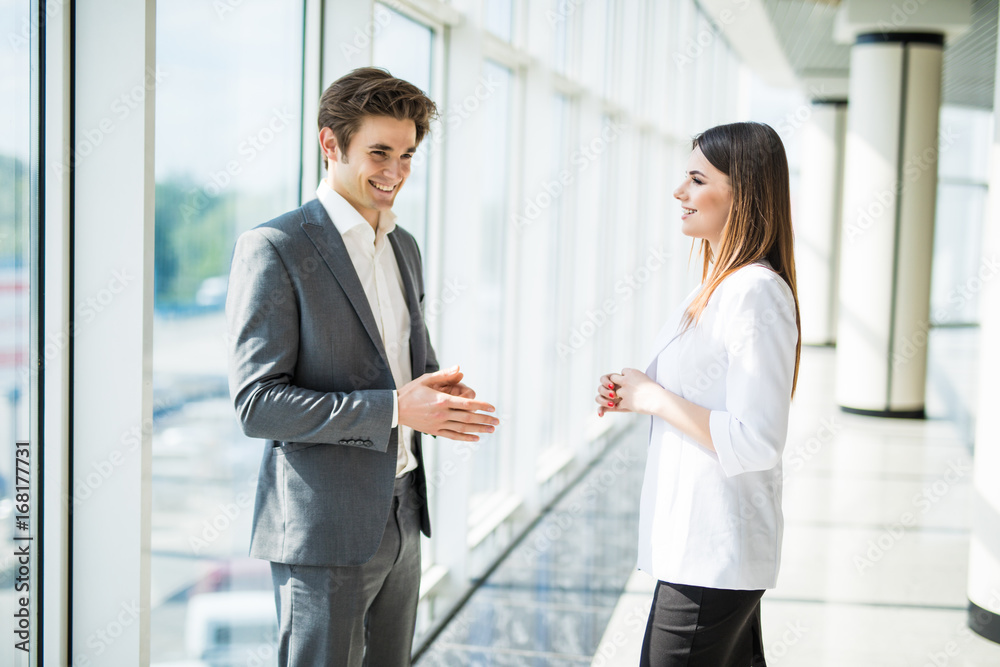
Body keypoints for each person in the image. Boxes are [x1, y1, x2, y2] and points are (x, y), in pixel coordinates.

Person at [226, 67, 499, 667]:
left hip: (403, 514)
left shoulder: (404, 246)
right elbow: (257, 404)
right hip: (324, 532)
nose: (395, 173)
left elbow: (405, 370)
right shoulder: (276, 248)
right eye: (379, 152)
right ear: (331, 144)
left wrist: (438, 397)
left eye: (406, 155)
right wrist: (398, 408)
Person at [595, 121, 801, 666]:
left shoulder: (755, 293)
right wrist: (634, 390)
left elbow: (757, 440)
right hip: (702, 552)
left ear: (744, 192)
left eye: (695, 179)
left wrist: (652, 398)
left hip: (714, 556)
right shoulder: (717, 285)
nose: (678, 192)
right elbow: (700, 392)